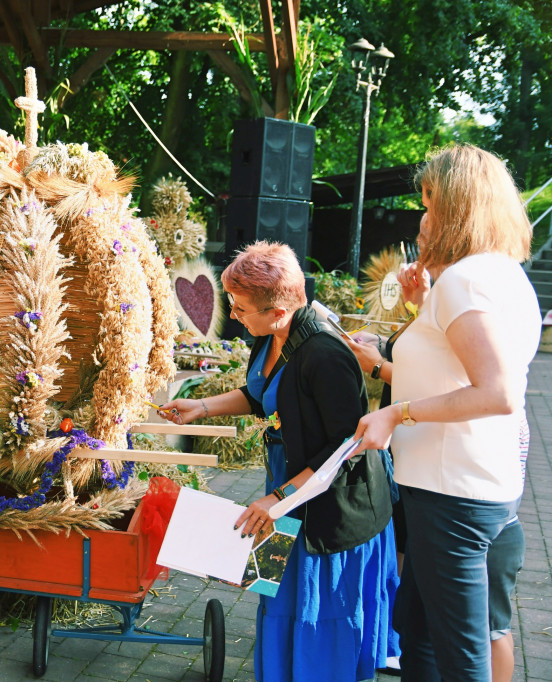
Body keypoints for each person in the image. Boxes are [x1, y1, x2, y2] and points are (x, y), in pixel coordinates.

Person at [160, 241, 398, 682]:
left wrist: (278, 498)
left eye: (240, 307)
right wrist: (203, 406)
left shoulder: (326, 356)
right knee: (274, 593)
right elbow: (260, 395)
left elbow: (344, 447)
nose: (232, 314)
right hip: (288, 490)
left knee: (311, 604)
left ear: (278, 312)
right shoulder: (270, 336)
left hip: (328, 507)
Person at [353, 144, 540, 682]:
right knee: (421, 635)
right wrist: (421, 305)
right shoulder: (500, 275)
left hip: (451, 495)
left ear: (459, 207)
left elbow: (496, 391)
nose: (423, 218)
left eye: (431, 204)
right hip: (473, 486)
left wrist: (396, 415)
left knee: (458, 657)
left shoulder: (466, 282)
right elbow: (450, 366)